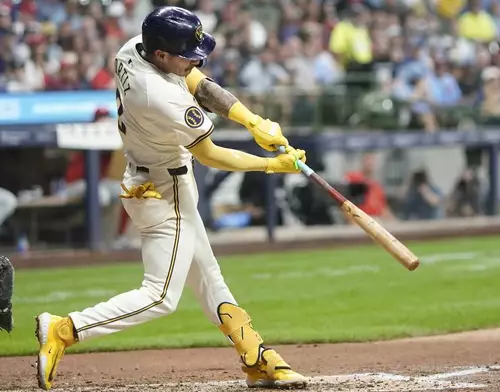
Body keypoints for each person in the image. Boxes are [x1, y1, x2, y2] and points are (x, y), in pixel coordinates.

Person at [34, 7, 308, 391]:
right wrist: (271, 164)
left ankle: (257, 358)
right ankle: (65, 329)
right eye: (187, 53)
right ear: (162, 54)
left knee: (209, 276)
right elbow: (210, 154)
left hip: (150, 178)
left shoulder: (135, 48)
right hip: (166, 191)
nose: (195, 60)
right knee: (160, 295)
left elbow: (198, 80)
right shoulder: (159, 95)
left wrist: (252, 121)